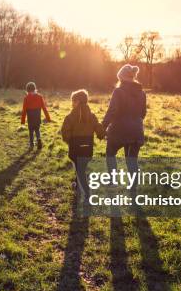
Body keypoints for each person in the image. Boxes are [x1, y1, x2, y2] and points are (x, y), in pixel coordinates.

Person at [102, 64, 147, 193]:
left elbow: (112, 111)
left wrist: (102, 127)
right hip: (136, 131)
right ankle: (133, 188)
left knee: (110, 153)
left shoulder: (118, 91)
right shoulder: (142, 93)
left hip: (119, 131)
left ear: (121, 78)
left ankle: (112, 182)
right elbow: (143, 113)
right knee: (132, 160)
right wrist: (134, 123)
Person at [61, 89, 105, 211]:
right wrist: (102, 134)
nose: (72, 103)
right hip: (88, 148)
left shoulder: (70, 117)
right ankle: (77, 184)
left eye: (73, 101)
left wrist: (69, 140)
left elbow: (65, 132)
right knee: (81, 168)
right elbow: (99, 129)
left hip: (75, 148)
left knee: (80, 170)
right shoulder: (92, 116)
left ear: (78, 101)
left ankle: (87, 195)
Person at [21, 82, 51, 149]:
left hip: (30, 117)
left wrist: (23, 121)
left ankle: (31, 145)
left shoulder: (26, 98)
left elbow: (24, 110)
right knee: (37, 129)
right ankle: (38, 139)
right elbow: (44, 108)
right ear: (35, 88)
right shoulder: (39, 97)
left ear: (27, 90)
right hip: (37, 117)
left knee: (31, 131)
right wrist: (48, 118)